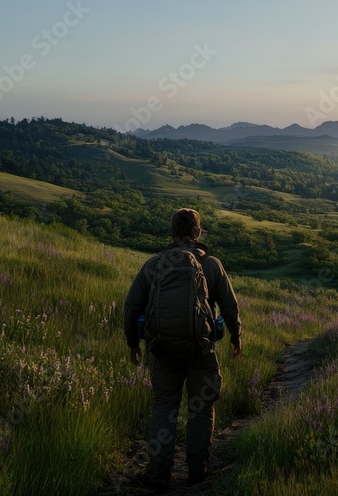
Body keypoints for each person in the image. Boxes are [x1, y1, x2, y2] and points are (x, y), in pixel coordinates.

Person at [124, 208, 242, 490]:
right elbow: (230, 306)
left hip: (163, 349)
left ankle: (158, 474)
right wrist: (237, 336)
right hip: (200, 350)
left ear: (173, 233)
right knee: (200, 410)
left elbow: (131, 307)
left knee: (164, 407)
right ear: (197, 233)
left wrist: (132, 343)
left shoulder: (154, 265)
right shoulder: (212, 265)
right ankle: (198, 471)